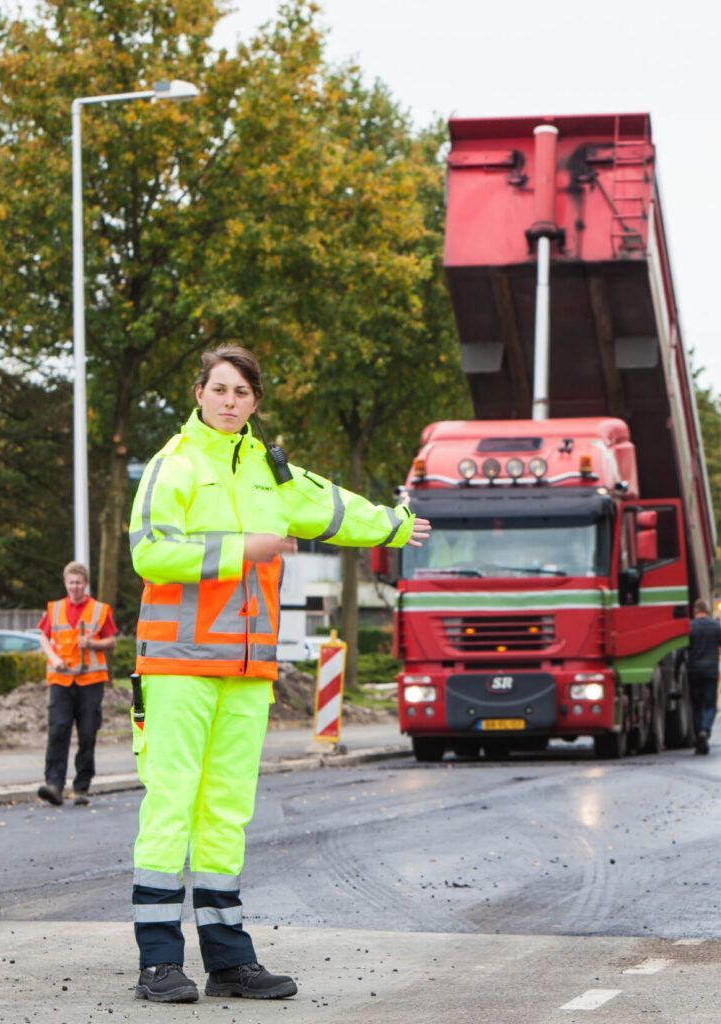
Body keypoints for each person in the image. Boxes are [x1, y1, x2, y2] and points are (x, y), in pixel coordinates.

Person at [128, 344, 430, 1004]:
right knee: (171, 806)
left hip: (246, 671)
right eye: (219, 389)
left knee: (226, 812)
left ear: (255, 402)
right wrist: (245, 549)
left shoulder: (271, 473)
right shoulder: (172, 465)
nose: (230, 401)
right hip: (177, 665)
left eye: (242, 392)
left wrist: (395, 527)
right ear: (198, 393)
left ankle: (229, 960)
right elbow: (150, 551)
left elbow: (333, 506)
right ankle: (158, 961)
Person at [36, 561, 118, 805]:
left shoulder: (100, 610)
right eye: (71, 582)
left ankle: (81, 786)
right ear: (65, 583)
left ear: (86, 584)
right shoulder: (55, 609)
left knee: (87, 732)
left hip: (90, 680)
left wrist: (91, 643)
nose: (74, 587)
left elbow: (111, 641)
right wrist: (53, 658)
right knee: (58, 729)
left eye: (78, 582)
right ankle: (54, 784)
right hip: (61, 679)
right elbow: (43, 637)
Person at [682, 598, 721, 755]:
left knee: (696, 704)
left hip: (694, 670)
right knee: (710, 705)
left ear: (695, 611)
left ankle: (699, 732)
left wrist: (679, 667)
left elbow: (682, 650)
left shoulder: (690, 627)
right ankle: (705, 730)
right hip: (711, 671)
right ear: (707, 610)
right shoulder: (715, 626)